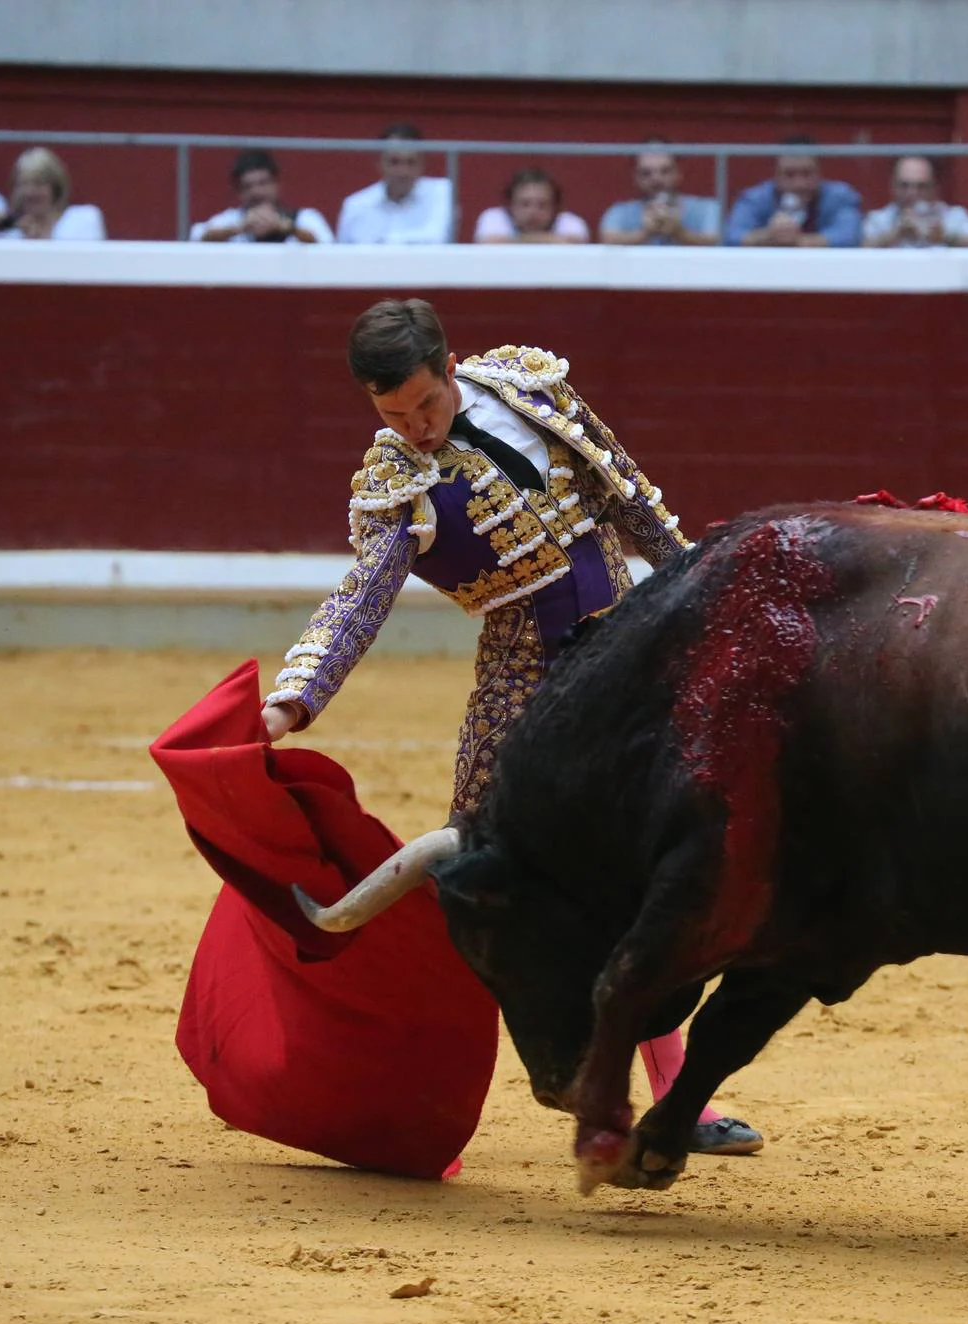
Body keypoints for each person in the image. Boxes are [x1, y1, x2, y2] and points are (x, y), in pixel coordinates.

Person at [261, 298, 764, 1157]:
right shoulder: (395, 483)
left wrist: (695, 597)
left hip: (631, 647)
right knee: (479, 877)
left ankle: (679, 1099)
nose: (413, 429)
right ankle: (417, 1104)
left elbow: (630, 498)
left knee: (658, 868)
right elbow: (360, 600)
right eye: (390, 415)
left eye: (423, 405)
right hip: (522, 677)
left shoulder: (531, 390)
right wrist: (292, 699)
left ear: (450, 368)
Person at [723, 134, 862, 248]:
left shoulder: (840, 196)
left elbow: (850, 236)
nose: (799, 184)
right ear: (775, 175)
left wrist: (797, 240)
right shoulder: (755, 198)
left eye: (807, 173)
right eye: (789, 174)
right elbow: (731, 236)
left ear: (820, 173)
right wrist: (769, 234)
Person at [336, 124, 455, 245]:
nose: (403, 171)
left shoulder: (442, 192)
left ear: (422, 164)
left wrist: (380, 243)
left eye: (411, 162)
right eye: (394, 162)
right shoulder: (355, 206)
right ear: (379, 163)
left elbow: (436, 240)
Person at [0, 147, 107, 240]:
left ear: (55, 187)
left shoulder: (82, 218)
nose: (30, 192)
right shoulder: (8, 230)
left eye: (39, 183)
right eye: (24, 184)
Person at [190, 148, 333, 244]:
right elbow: (197, 237)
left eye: (263, 183)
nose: (256, 192)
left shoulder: (305, 217)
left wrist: (283, 226)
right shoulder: (231, 219)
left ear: (277, 185)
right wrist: (241, 228)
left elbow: (325, 243)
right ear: (239, 192)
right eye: (248, 187)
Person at [599, 143, 722, 246]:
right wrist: (645, 233)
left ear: (678, 174)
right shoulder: (619, 212)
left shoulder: (707, 208)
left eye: (665, 171)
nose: (656, 179)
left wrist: (679, 233)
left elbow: (716, 241)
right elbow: (607, 241)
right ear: (635, 178)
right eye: (646, 173)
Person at [861, 156, 968, 249]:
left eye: (921, 186)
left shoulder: (954, 216)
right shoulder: (879, 219)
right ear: (892, 187)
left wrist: (945, 237)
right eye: (904, 185)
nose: (912, 193)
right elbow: (858, 251)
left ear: (935, 188)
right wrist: (895, 235)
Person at [472, 168, 590, 244]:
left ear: (555, 208)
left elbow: (574, 242)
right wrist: (548, 239)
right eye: (525, 204)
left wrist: (514, 240)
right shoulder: (494, 217)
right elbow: (488, 242)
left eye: (542, 205)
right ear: (510, 205)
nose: (533, 212)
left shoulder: (569, 221)